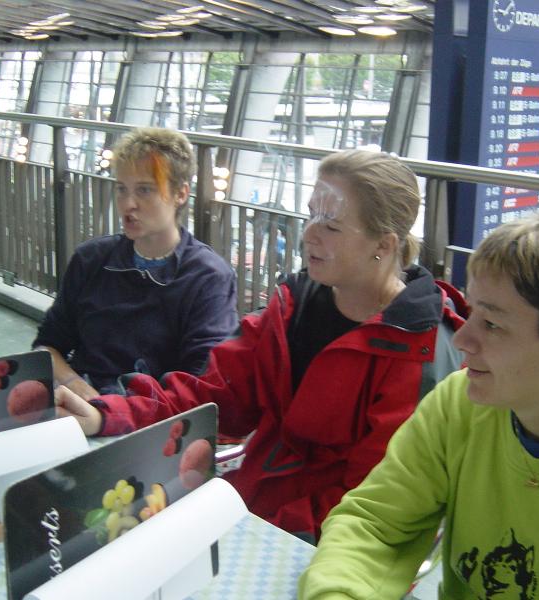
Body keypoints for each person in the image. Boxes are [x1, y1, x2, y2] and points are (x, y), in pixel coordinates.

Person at [56, 149, 467, 541]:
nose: (308, 233)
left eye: (331, 225)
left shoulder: (418, 351)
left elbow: (373, 499)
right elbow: (215, 396)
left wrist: (255, 529)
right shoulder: (293, 309)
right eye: (311, 214)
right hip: (251, 506)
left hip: (327, 542)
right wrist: (108, 413)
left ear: (384, 245)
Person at [299, 203, 539, 599]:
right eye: (472, 313)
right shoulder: (458, 403)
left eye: (491, 324)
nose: (462, 340)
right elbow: (374, 524)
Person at [33, 127, 237, 399]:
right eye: (121, 189)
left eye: (144, 190)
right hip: (81, 404)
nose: (128, 204)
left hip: (155, 416)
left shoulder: (207, 277)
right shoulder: (91, 259)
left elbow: (200, 384)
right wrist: (78, 388)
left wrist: (110, 411)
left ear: (180, 193)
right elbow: (47, 346)